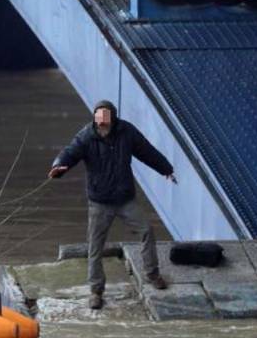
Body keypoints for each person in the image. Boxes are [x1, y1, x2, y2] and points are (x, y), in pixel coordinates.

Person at [49, 100, 175, 310]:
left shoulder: (127, 132)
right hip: (100, 202)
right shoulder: (86, 136)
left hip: (125, 199)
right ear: (95, 118)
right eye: (99, 118)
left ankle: (152, 274)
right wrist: (58, 167)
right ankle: (96, 291)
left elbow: (146, 151)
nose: (102, 123)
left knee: (146, 230)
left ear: (113, 118)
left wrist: (166, 169)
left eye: (106, 118)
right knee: (95, 247)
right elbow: (69, 153)